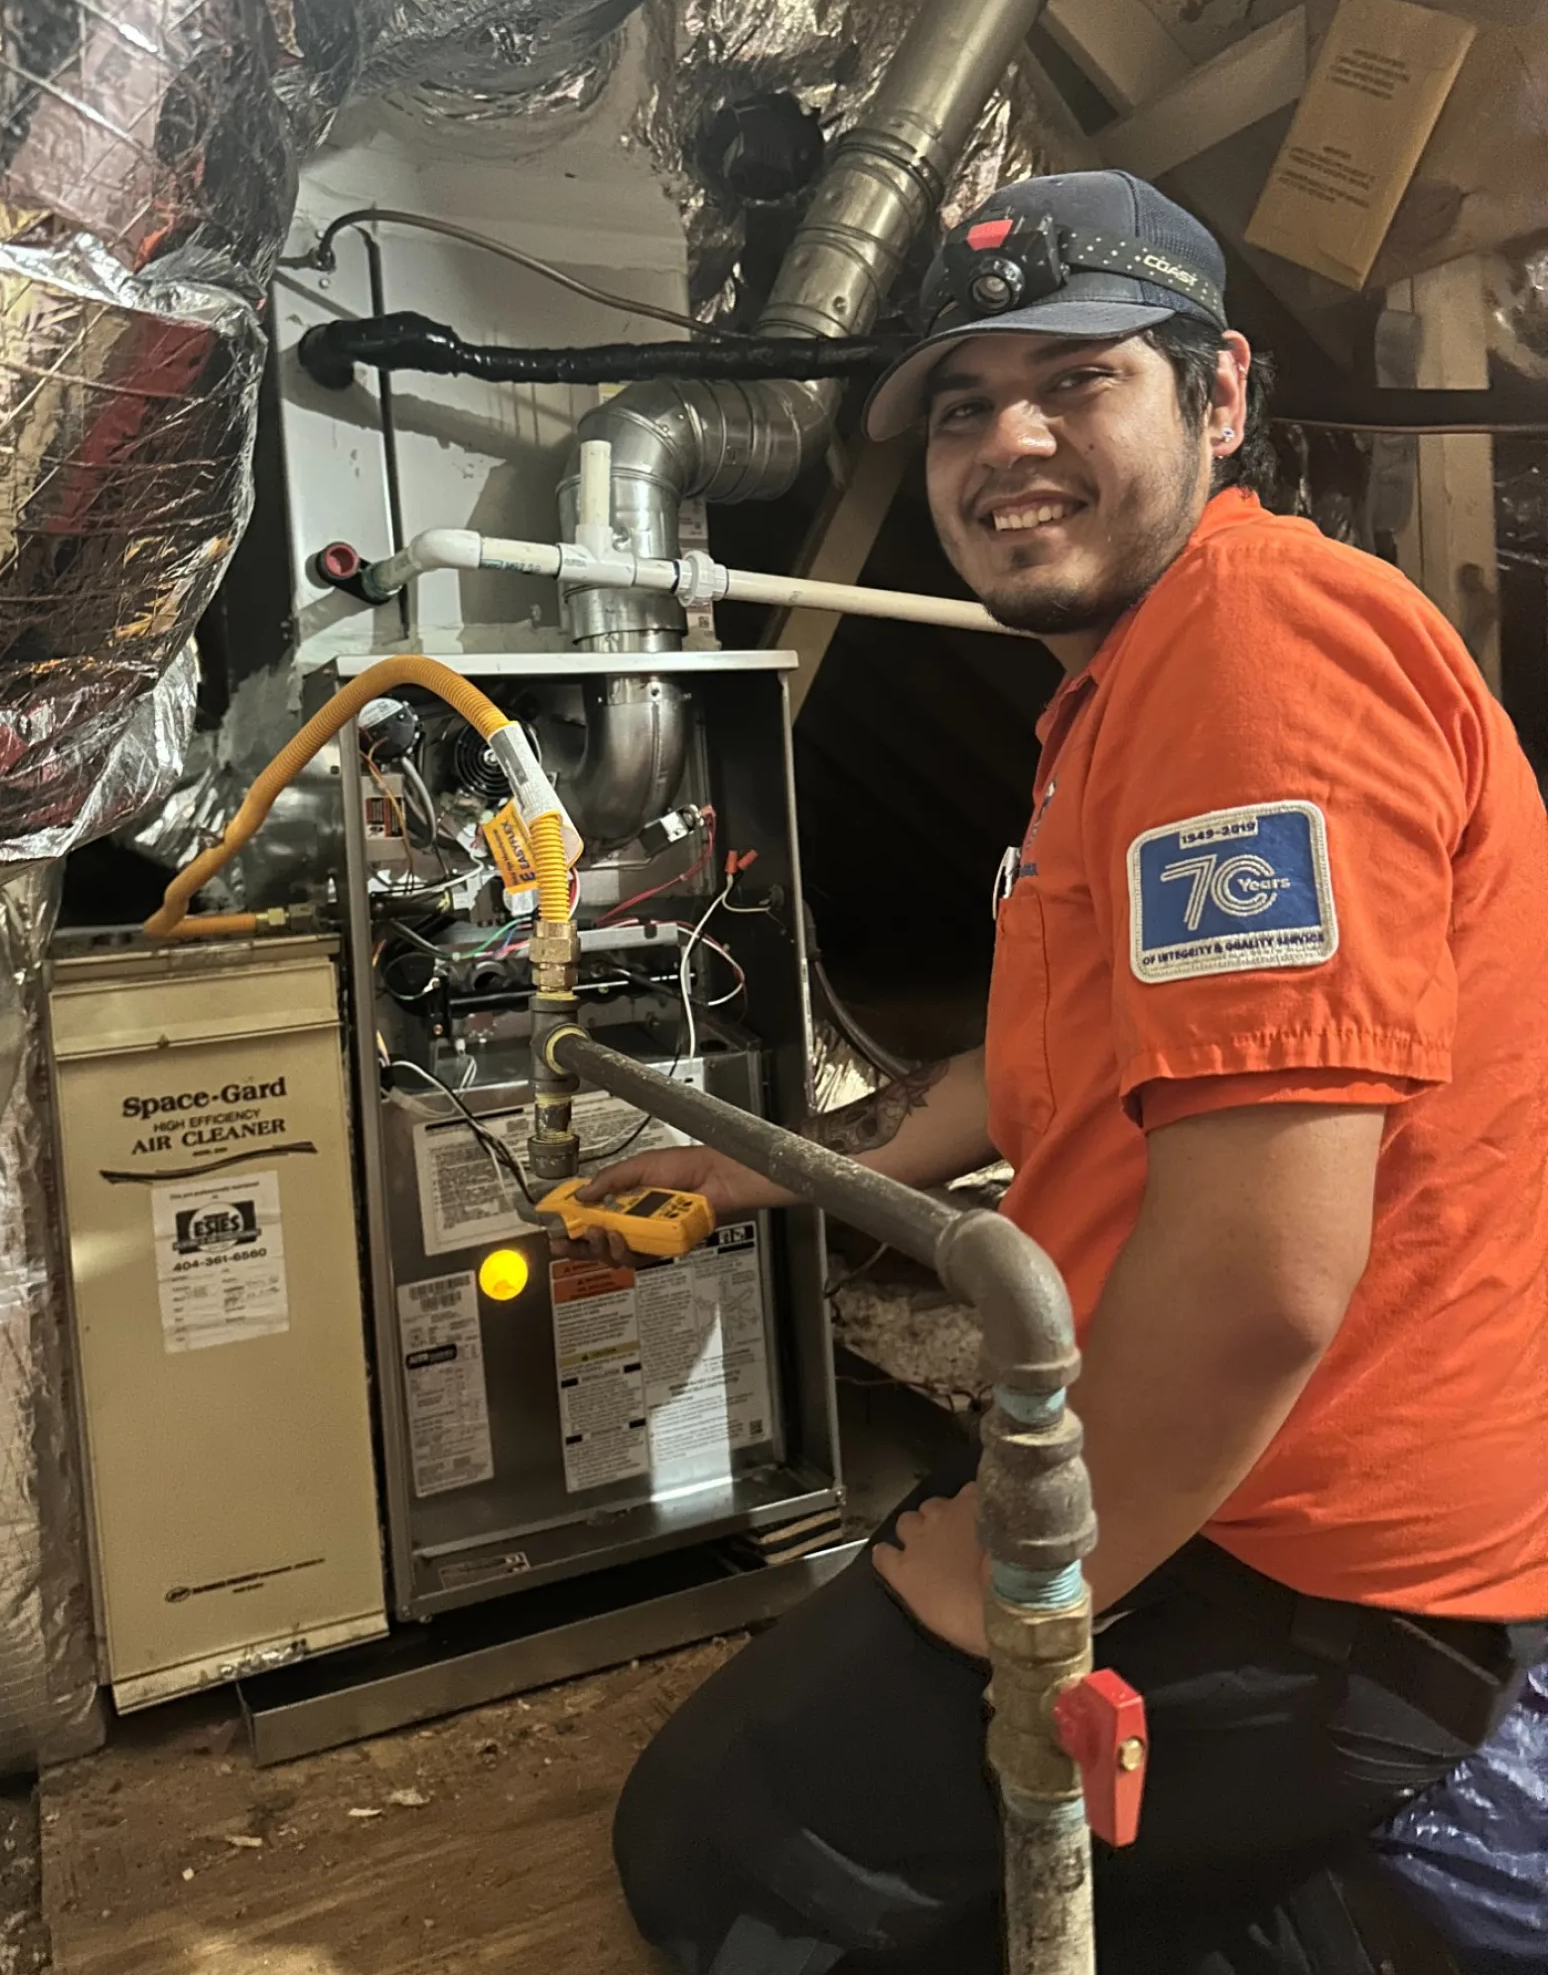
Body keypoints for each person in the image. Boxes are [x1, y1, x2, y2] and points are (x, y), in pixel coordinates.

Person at [575, 172, 1548, 1974]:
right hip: (1231, 1494)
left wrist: (1018, 1577)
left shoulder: (1259, 652)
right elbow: (1042, 1077)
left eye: (1075, 380)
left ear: (1223, 397)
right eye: (961, 406)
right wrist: (775, 1163)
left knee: (727, 1870)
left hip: (1324, 1566)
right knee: (730, 1805)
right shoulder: (1116, 696)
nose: (1006, 442)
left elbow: (1260, 1287)